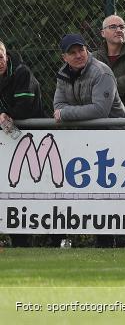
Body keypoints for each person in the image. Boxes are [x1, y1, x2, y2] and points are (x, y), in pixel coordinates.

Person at [53, 33, 125, 248]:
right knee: (92, 194)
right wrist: (66, 112)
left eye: (81, 50)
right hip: (89, 140)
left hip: (119, 138)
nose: (79, 55)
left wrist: (67, 114)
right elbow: (57, 107)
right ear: (64, 57)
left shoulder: (101, 72)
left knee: (116, 194)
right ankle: (102, 243)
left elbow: (100, 110)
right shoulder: (62, 75)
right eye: (73, 52)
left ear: (87, 50)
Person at [0, 40, 45, 248]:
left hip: (34, 141)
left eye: (0, 55)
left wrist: (6, 116)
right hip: (7, 142)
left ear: (6, 54)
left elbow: (25, 108)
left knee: (40, 190)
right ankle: (18, 241)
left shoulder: (21, 72)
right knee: (11, 191)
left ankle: (55, 239)